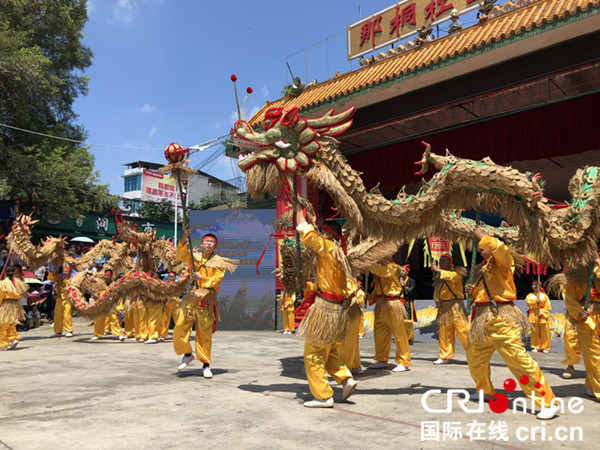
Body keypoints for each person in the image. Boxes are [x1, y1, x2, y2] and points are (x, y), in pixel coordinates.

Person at [465, 227, 558, 420]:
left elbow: (500, 249)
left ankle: (548, 402)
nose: (481, 246)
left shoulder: (505, 261)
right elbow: (481, 294)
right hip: (481, 319)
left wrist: (484, 236)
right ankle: (485, 390)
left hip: (501, 317)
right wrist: (471, 291)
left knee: (518, 360)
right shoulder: (480, 267)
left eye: (485, 244)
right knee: (474, 357)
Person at [294, 202, 357, 407]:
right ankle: (345, 378)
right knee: (327, 350)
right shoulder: (341, 253)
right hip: (337, 310)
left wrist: (298, 213)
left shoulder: (328, 247)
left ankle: (323, 396)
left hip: (325, 309)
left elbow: (306, 234)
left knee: (313, 352)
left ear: (327, 234)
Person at [173, 228, 237, 378]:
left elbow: (217, 279)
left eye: (212, 242)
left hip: (207, 297)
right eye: (207, 241)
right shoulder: (194, 256)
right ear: (201, 244)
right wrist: (183, 239)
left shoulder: (219, 261)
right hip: (192, 295)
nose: (209, 244)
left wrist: (201, 278)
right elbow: (181, 255)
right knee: (180, 324)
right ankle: (188, 353)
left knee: (204, 333)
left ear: (215, 246)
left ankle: (206, 364)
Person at [560, 255, 600, 400]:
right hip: (589, 317)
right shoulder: (579, 274)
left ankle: (591, 385)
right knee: (594, 355)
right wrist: (578, 311)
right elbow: (569, 294)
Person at [369, 259, 411, 372]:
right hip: (380, 304)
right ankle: (381, 359)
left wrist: (367, 260)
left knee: (399, 334)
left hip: (393, 304)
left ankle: (404, 361)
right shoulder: (380, 270)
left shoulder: (392, 267)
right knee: (380, 334)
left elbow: (379, 270)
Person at [431, 254, 468, 364]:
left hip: (456, 305)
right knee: (444, 332)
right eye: (440, 261)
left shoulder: (456, 273)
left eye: (443, 260)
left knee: (463, 330)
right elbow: (436, 291)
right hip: (444, 306)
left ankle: (474, 353)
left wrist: (437, 270)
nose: (441, 262)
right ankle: (444, 355)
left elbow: (451, 276)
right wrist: (436, 299)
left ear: (449, 263)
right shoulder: (439, 277)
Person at [0, 265, 28, 350]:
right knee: (11, 322)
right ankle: (13, 338)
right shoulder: (18, 282)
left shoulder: (3, 283)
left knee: (3, 324)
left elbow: (1, 295)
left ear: (5, 272)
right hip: (16, 304)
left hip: (6, 304)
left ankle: (3, 343)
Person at [91, 269, 124, 341]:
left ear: (111, 276)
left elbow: (118, 296)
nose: (106, 277)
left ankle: (119, 334)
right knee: (98, 319)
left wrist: (119, 306)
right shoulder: (101, 284)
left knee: (114, 318)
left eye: (107, 275)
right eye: (105, 275)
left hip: (111, 304)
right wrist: (96, 296)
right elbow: (97, 292)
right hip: (102, 304)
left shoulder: (115, 284)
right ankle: (98, 334)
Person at [340, 279, 365, 374]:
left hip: (349, 308)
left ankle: (347, 366)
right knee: (351, 339)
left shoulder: (349, 280)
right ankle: (355, 364)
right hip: (346, 308)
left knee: (349, 339)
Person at [525, 280, 551, 353]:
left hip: (542, 315)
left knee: (544, 331)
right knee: (534, 331)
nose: (534, 286)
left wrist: (542, 313)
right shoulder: (529, 295)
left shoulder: (544, 296)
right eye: (533, 284)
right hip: (533, 314)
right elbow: (529, 304)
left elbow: (548, 307)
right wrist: (536, 303)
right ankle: (535, 346)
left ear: (540, 286)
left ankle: (545, 347)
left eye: (536, 284)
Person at [49, 267, 74, 338]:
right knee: (57, 315)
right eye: (63, 271)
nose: (64, 273)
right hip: (59, 299)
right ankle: (58, 331)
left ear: (69, 272)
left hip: (67, 298)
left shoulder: (72, 280)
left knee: (67, 315)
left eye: (66, 271)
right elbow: (51, 278)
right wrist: (54, 272)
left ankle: (69, 330)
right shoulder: (59, 278)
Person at [159, 272, 180, 341]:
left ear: (175, 277)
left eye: (173, 276)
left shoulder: (177, 284)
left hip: (175, 302)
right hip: (167, 302)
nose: (171, 278)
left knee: (177, 319)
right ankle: (163, 334)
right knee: (165, 319)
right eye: (170, 276)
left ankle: (179, 334)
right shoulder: (165, 284)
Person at [399, 265, 417, 343]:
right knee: (399, 320)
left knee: (408, 320)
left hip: (407, 302)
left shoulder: (411, 281)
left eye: (403, 271)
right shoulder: (397, 280)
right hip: (399, 302)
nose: (401, 272)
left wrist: (403, 286)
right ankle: (401, 336)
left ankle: (409, 338)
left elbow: (410, 291)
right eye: (401, 271)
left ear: (407, 272)